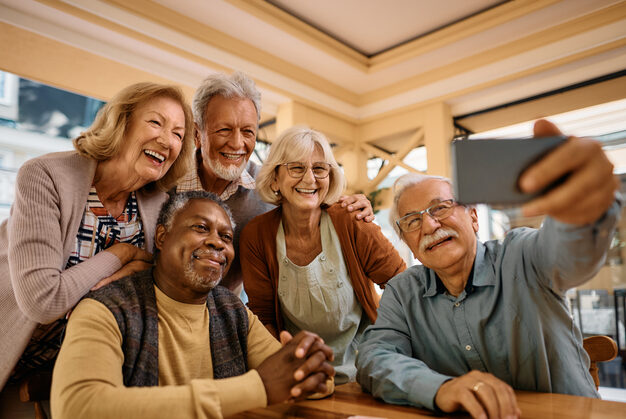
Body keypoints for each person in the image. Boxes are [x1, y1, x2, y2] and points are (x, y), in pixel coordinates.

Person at [356, 119, 621, 419]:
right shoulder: (403, 292)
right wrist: (440, 389)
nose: (429, 225)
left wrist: (582, 212)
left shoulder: (522, 255)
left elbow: (570, 255)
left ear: (473, 217)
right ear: (407, 241)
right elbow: (373, 359)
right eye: (413, 221)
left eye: (440, 208)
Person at [50, 191, 335, 418]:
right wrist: (257, 388)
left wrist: (311, 365)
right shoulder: (106, 308)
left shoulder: (233, 311)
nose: (217, 243)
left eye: (226, 236)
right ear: (162, 237)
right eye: (201, 228)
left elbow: (300, 380)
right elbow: (78, 407)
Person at [0, 82, 194, 406]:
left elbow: (157, 285)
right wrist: (122, 254)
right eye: (156, 122)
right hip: (10, 350)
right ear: (122, 122)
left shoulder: (159, 205)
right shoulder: (44, 175)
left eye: (178, 133)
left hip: (72, 371)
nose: (167, 140)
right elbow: (43, 301)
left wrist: (143, 266)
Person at [176, 71, 374, 295]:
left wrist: (354, 205)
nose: (237, 143)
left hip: (227, 313)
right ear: (196, 133)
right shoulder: (165, 182)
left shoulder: (271, 184)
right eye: (224, 130)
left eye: (248, 131)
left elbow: (313, 197)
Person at [240, 127, 406, 385]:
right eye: (296, 168)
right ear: (275, 179)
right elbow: (264, 317)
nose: (310, 179)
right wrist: (287, 368)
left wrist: (382, 345)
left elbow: (401, 284)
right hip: (300, 373)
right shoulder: (256, 235)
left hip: (365, 371)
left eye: (319, 169)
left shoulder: (351, 219)